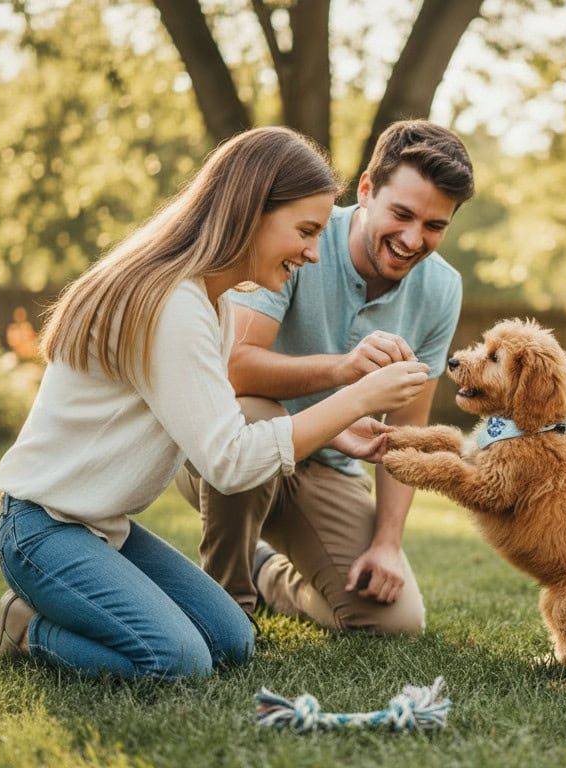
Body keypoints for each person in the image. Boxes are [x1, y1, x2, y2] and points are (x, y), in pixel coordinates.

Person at [0, 127, 431, 680]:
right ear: (251, 212)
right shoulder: (172, 304)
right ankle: (30, 628)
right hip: (43, 530)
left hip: (103, 530)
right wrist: (353, 398)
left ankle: (80, 609)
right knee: (176, 661)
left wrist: (335, 428)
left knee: (232, 641)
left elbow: (214, 425)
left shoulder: (209, 304)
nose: (315, 253)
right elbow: (229, 462)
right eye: (306, 230)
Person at [174, 119, 474, 635]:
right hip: (231, 446)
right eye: (401, 214)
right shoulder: (301, 237)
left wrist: (387, 544)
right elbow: (234, 368)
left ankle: (267, 573)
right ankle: (227, 607)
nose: (412, 239)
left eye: (433, 226)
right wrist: (344, 370)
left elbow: (407, 430)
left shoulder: (442, 289)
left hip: (329, 468)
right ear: (365, 190)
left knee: (392, 623)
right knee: (252, 416)